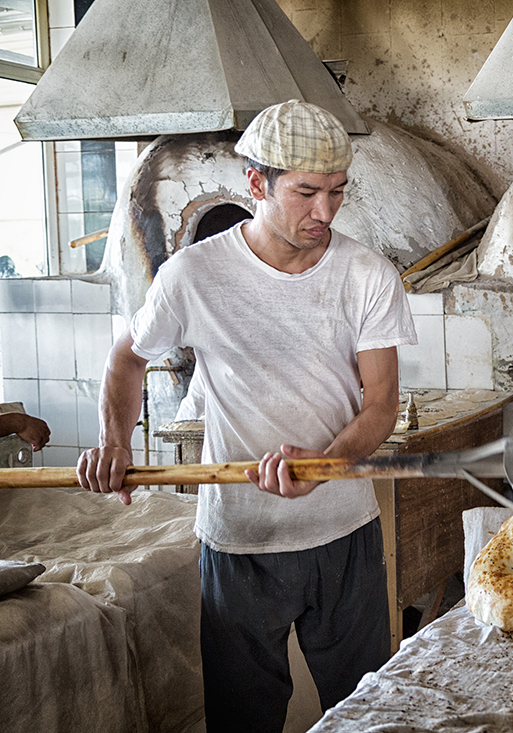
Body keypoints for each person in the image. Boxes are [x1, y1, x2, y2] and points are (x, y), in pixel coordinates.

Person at [76, 100, 417, 732]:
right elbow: (127, 360)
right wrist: (114, 442)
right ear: (256, 183)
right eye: (307, 192)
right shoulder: (193, 276)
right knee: (243, 719)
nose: (325, 213)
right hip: (238, 540)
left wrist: (323, 464)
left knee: (370, 712)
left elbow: (381, 403)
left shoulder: (366, 275)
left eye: (337, 194)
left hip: (344, 535)